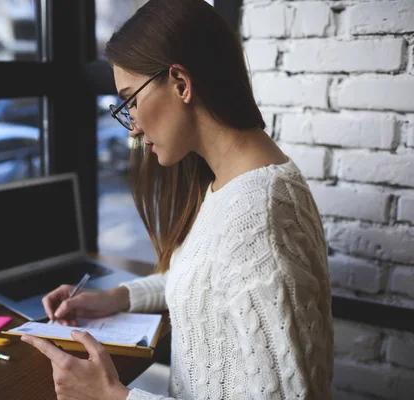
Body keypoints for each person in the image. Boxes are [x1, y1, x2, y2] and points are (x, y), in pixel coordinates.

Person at [20, 0, 334, 398]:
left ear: (181, 83)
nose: (131, 127)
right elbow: (209, 279)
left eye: (131, 100)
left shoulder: (257, 219)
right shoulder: (236, 184)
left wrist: (112, 397)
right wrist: (115, 298)